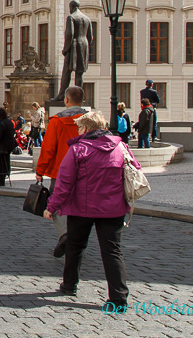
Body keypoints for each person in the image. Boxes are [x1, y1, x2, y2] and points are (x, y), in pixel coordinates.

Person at [44, 110, 138, 309]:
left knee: (75, 246)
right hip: (113, 209)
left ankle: (69, 285)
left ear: (85, 128)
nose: (78, 131)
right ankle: (119, 298)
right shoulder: (120, 146)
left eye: (79, 127)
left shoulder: (78, 149)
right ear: (103, 127)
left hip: (81, 209)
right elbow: (134, 169)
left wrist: (51, 207)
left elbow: (64, 183)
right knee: (112, 251)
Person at [36, 85, 88, 257]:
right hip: (87, 170)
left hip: (62, 170)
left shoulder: (57, 121)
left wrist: (40, 170)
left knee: (56, 203)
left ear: (66, 100)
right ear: (82, 100)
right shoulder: (91, 120)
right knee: (82, 204)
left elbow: (48, 148)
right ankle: (78, 236)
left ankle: (65, 234)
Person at [54, 0, 93, 100]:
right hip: (84, 45)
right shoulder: (87, 19)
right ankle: (79, 96)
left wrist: (65, 49)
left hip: (74, 45)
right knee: (79, 73)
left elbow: (69, 34)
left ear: (72, 7)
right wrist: (85, 46)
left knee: (66, 71)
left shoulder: (71, 17)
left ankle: (62, 94)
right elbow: (91, 37)